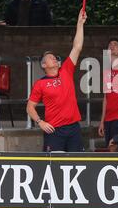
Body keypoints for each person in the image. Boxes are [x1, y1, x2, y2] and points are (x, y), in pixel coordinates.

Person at [26, 9, 86, 152]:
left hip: (73, 128)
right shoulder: (40, 83)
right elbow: (30, 107)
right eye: (50, 57)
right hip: (54, 130)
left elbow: (77, 47)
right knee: (53, 167)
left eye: (55, 56)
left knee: (78, 164)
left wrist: (80, 23)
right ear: (44, 65)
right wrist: (40, 122)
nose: (54, 57)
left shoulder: (66, 70)